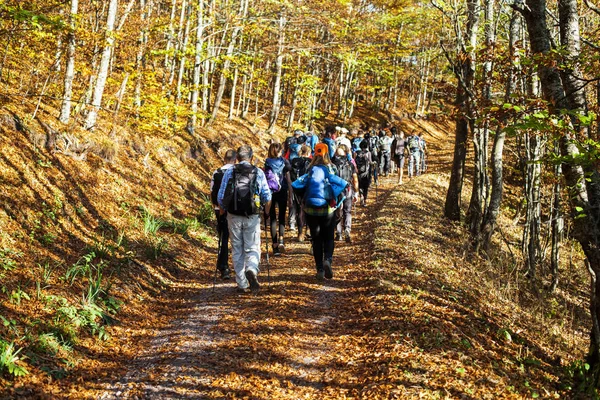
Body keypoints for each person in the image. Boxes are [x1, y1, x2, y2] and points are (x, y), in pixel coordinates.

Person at [218, 145, 272, 292]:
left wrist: (222, 212)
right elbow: (267, 196)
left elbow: (221, 196)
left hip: (233, 216)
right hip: (252, 215)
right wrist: (266, 213)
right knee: (252, 247)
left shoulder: (230, 171)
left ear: (238, 158)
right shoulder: (258, 172)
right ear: (251, 157)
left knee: (237, 249)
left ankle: (242, 284)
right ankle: (252, 270)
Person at [297, 143, 347, 280]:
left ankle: (319, 269)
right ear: (327, 153)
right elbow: (337, 187)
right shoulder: (331, 168)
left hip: (310, 209)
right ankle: (328, 260)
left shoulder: (309, 168)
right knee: (329, 237)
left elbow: (302, 186)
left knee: (316, 239)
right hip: (328, 208)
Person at [210, 149, 236, 279]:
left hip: (219, 208)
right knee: (236, 237)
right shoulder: (237, 172)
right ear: (235, 160)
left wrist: (215, 207)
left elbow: (212, 192)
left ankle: (223, 266)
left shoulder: (217, 172)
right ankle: (239, 267)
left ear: (224, 159)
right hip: (235, 209)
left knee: (223, 237)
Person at [264, 142, 293, 256]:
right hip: (282, 191)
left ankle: (275, 245)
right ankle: (281, 240)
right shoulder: (284, 162)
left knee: (272, 218)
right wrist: (291, 194)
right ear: (280, 151)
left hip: (271, 192)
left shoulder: (267, 163)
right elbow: (289, 179)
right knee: (281, 216)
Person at [332, 145, 359, 243]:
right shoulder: (350, 164)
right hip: (348, 189)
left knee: (336, 210)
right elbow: (355, 179)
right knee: (347, 211)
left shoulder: (332, 164)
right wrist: (356, 192)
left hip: (335, 190)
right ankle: (347, 229)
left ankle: (338, 233)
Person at [289, 145, 312, 240]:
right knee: (309, 210)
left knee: (299, 211)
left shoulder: (294, 161)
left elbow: (290, 174)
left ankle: (300, 233)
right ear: (308, 153)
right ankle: (308, 229)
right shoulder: (310, 162)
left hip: (296, 188)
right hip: (307, 188)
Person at [355, 140, 373, 206]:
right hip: (366, 172)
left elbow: (354, 162)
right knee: (366, 187)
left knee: (360, 186)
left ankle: (361, 197)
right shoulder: (368, 153)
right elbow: (370, 162)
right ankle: (364, 200)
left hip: (358, 172)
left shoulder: (356, 153)